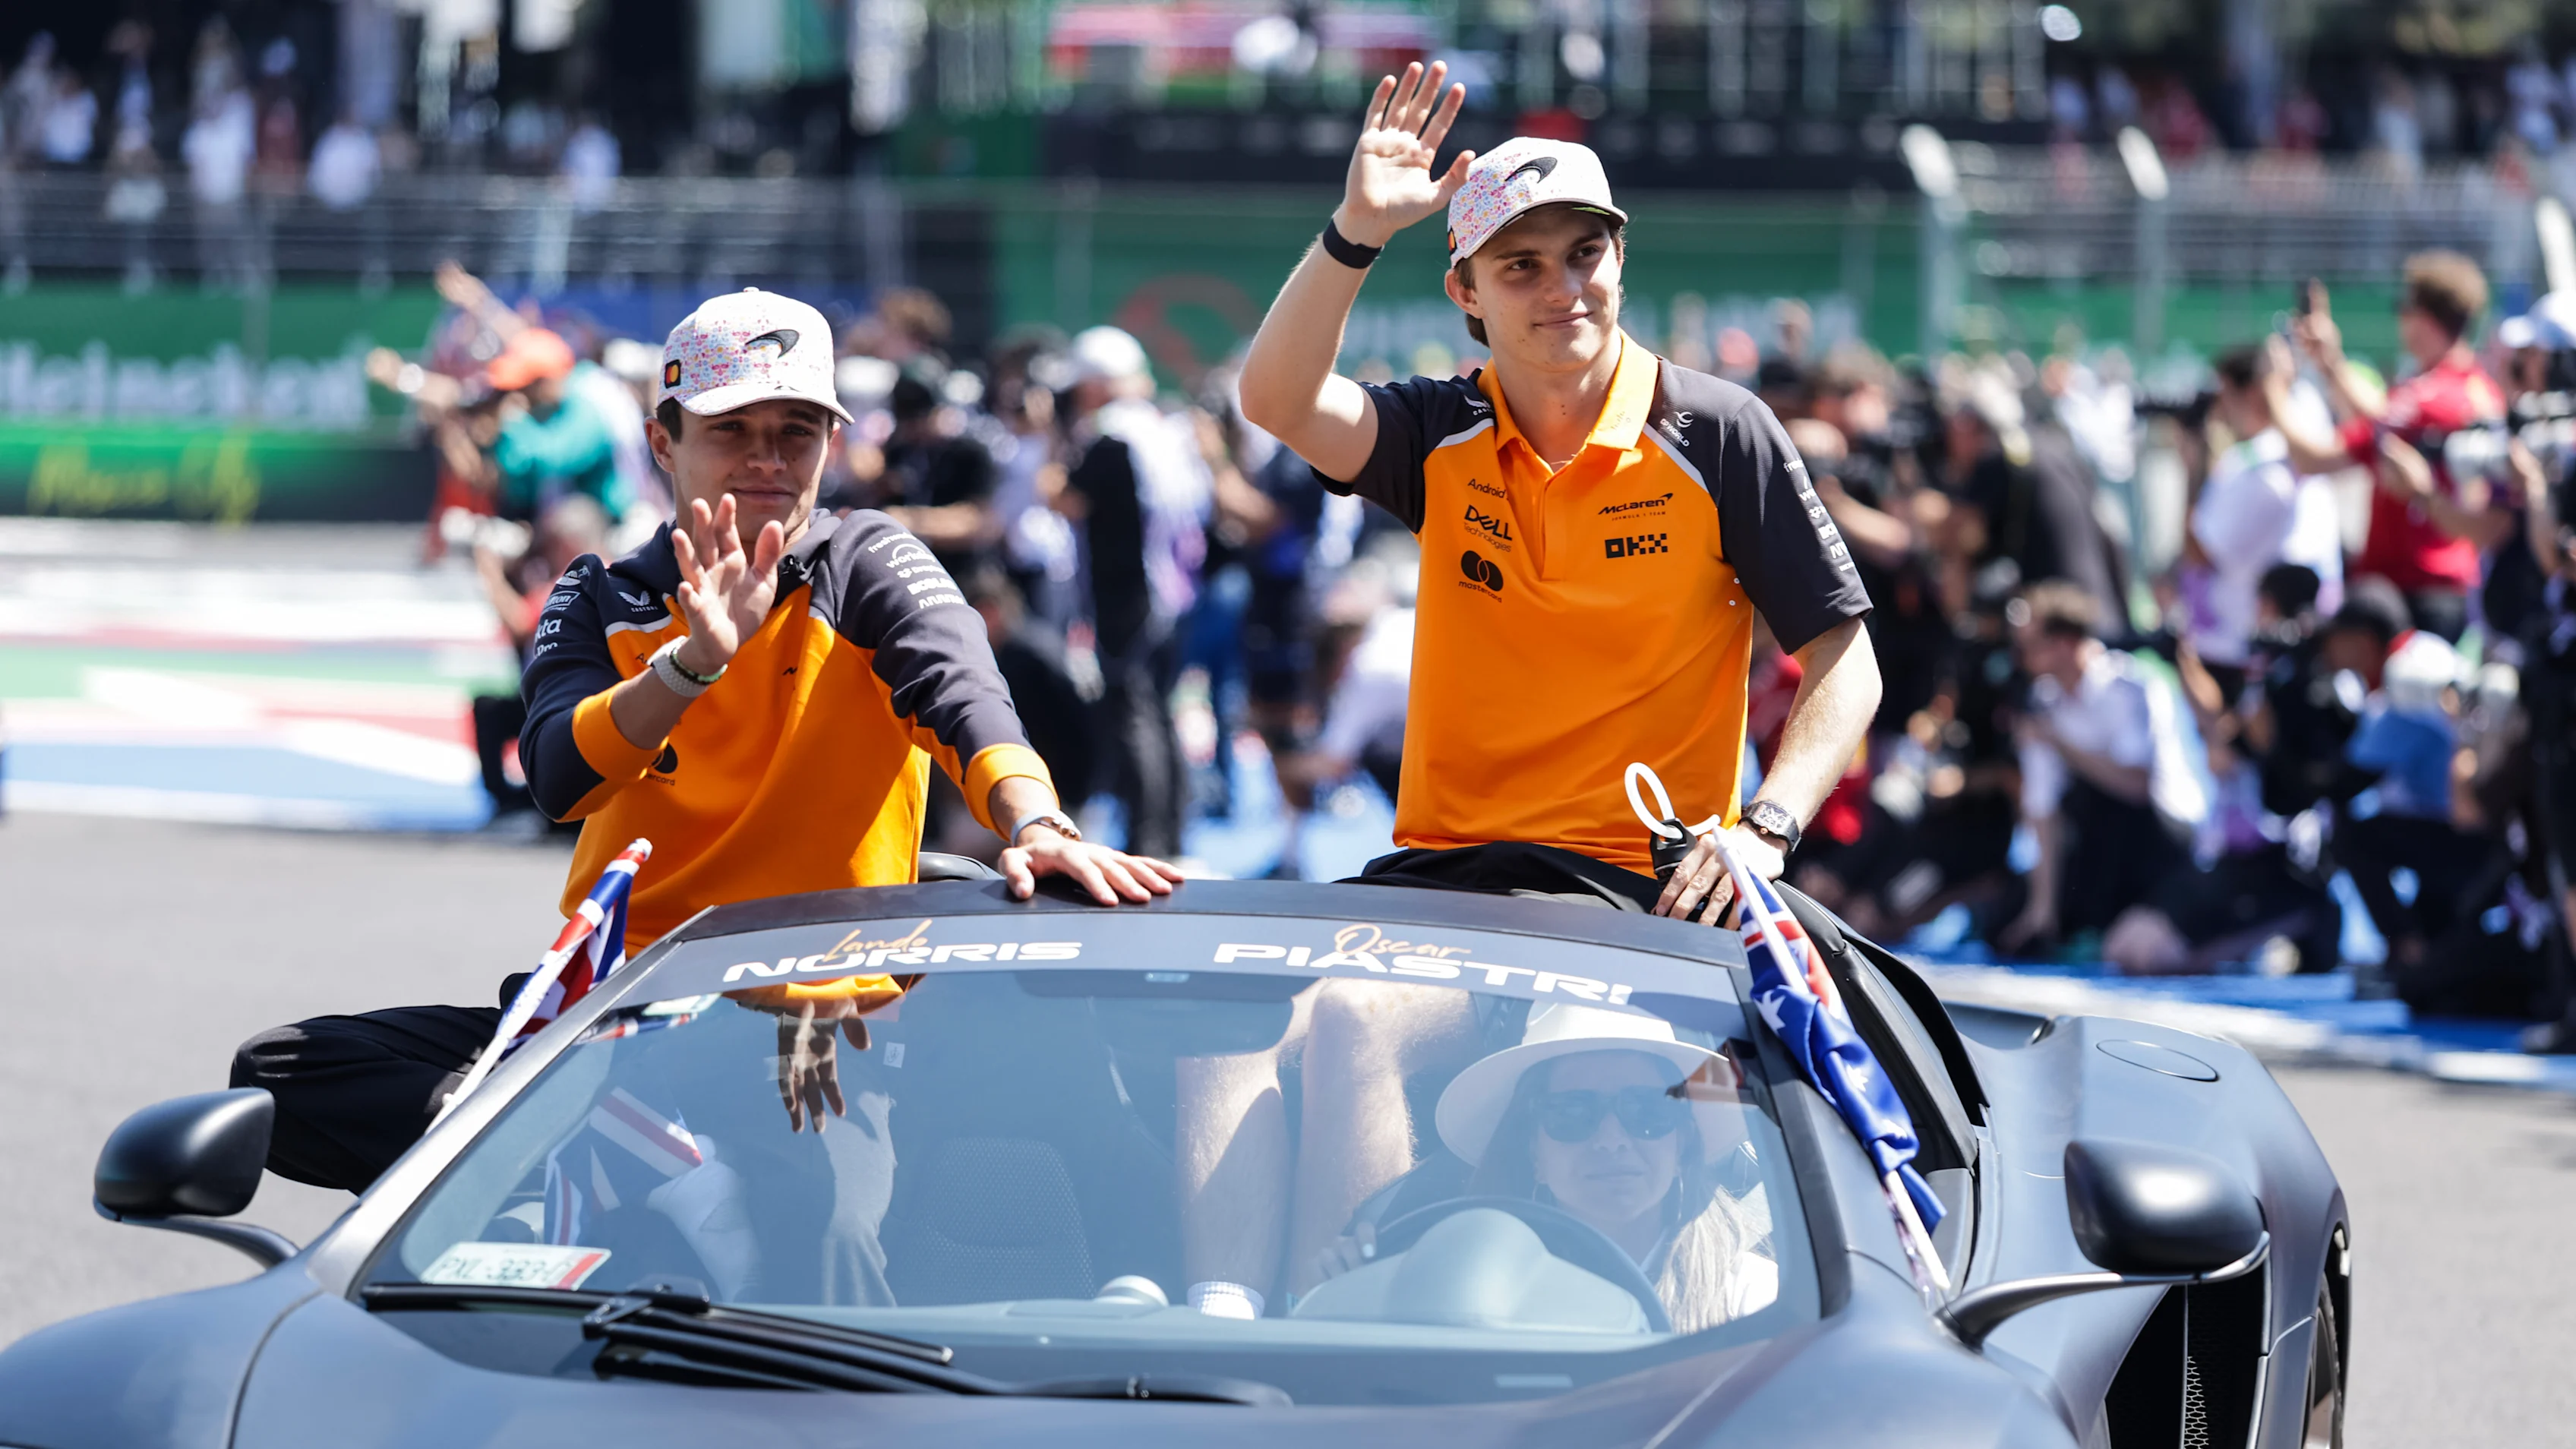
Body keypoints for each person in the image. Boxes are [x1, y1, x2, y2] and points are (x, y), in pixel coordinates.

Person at [233, 288, 1183, 1195]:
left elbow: (965, 700)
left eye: (795, 433)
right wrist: (690, 666)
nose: (766, 458)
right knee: (279, 1074)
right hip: (615, 1007)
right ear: (664, 441)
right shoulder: (599, 591)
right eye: (731, 431)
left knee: (838, 1238)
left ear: (830, 446)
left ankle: (567, 1146)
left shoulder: (869, 561)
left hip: (812, 1018)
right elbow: (559, 780)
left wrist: (1038, 821)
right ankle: (584, 1144)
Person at [1217, 63, 1878, 1308]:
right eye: (1521, 266)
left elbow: (1847, 660)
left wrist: (1766, 829)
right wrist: (1356, 230)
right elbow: (1273, 398)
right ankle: (1219, 1333)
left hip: (1630, 886)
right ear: (1464, 292)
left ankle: (1364, 1333)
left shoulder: (1717, 431)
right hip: (1447, 874)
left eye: (1585, 253)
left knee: (1352, 1021)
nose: (1563, 286)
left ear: (1620, 261)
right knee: (1226, 1041)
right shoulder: (1439, 432)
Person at [1304, 1004, 1776, 1334]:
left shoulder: (1756, 1302)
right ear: (1533, 1152)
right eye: (1573, 1113)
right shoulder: (1436, 1291)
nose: (1612, 1139)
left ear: (1683, 1144)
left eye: (1646, 1111)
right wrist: (1351, 1307)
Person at [2290, 257, 2505, 642]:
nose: (2400, 320)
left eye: (2404, 309)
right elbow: (2381, 417)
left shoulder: (2434, 393)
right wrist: (2330, 364)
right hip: (2432, 588)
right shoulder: (2471, 389)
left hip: (2415, 590)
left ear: (2424, 317)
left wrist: (2272, 386)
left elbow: (2330, 449)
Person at [1061, 324, 1211, 860]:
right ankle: (1170, 833)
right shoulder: (1163, 429)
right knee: (1160, 710)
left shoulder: (1110, 436)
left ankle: (1148, 839)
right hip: (1174, 590)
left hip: (1128, 593)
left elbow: (1065, 500)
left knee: (1134, 712)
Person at [1999, 581, 2206, 955]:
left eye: (2028, 647)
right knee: (2006, 923)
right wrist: (2041, 909)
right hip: (2100, 845)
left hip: (2164, 838)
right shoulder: (2044, 700)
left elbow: (2136, 786)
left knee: (2104, 806)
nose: (2021, 658)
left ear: (2062, 643)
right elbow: (2043, 808)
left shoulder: (2131, 686)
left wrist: (2059, 742)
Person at [2184, 338, 2346, 695]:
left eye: (2224, 391)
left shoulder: (2258, 465)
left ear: (2253, 392)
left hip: (2246, 649)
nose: (2219, 405)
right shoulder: (2307, 429)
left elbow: (2200, 551)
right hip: (2285, 641)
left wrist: (2193, 463)